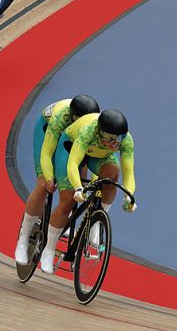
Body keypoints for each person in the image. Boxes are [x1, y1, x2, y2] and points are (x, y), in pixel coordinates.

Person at [39, 109, 137, 274]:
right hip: (70, 147)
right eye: (111, 139)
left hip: (99, 155)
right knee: (68, 201)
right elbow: (72, 164)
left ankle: (96, 222)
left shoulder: (126, 141)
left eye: (118, 138)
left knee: (113, 174)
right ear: (100, 133)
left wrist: (129, 196)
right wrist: (78, 187)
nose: (115, 143)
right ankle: (48, 249)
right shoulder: (87, 132)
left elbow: (129, 173)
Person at [14, 95, 100, 265]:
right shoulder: (61, 117)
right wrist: (48, 178)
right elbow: (46, 154)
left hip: (72, 141)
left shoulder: (94, 126)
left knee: (81, 174)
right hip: (47, 132)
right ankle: (23, 241)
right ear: (74, 118)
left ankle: (65, 217)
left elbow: (94, 156)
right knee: (42, 185)